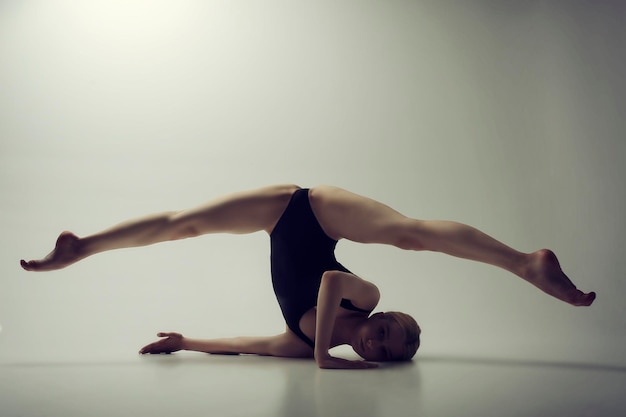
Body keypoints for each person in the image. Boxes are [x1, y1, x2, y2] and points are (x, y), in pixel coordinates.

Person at [20, 184, 596, 369]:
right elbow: (325, 282)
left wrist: (187, 342)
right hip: (314, 208)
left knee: (188, 227)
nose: (376, 338)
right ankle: (524, 263)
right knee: (408, 233)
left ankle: (82, 248)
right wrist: (325, 356)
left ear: (378, 360)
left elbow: (250, 346)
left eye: (384, 349)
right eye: (387, 330)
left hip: (275, 221)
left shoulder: (299, 345)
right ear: (384, 317)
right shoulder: (363, 297)